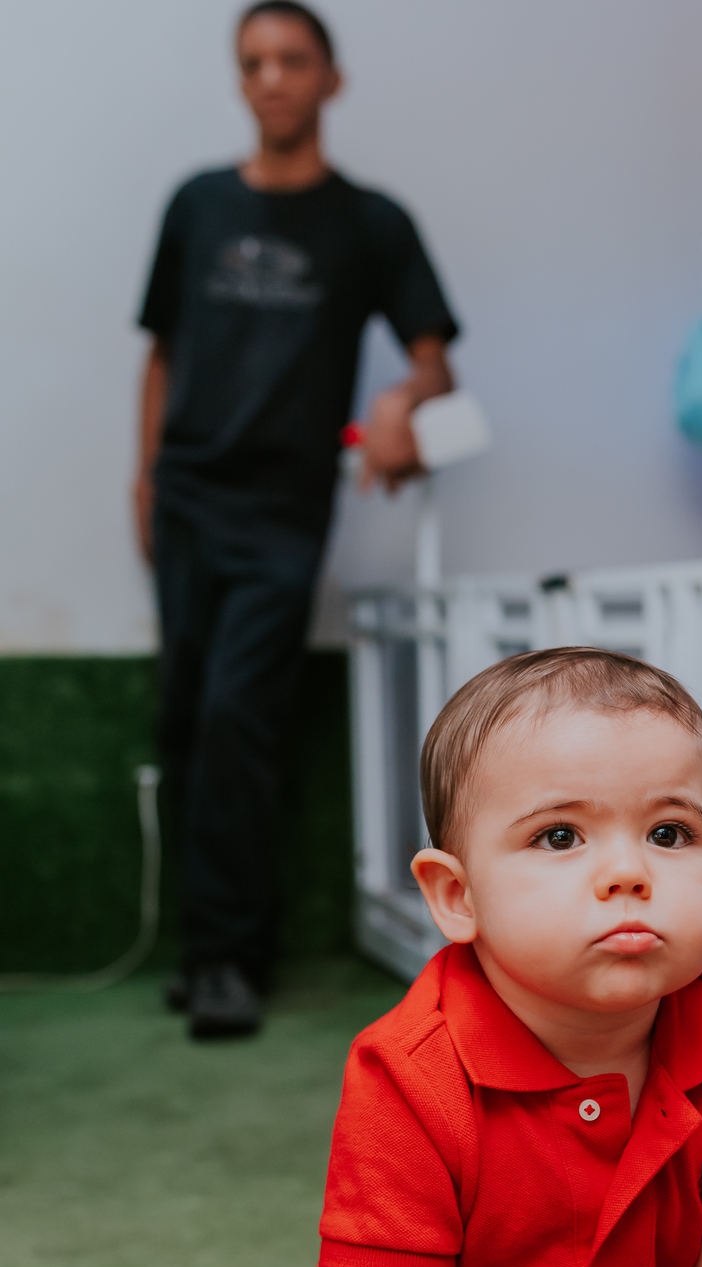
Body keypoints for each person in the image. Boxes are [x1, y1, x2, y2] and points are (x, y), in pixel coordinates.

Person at [319, 648, 702, 1267]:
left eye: (670, 834)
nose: (628, 874)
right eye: (559, 836)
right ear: (457, 895)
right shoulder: (409, 1076)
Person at [135, 1, 458, 1038]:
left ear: (330, 78)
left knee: (241, 716)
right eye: (253, 63)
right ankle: (209, 945)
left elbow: (430, 356)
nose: (271, 77)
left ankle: (230, 955)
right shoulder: (196, 205)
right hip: (185, 495)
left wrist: (404, 407)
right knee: (187, 714)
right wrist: (144, 480)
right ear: (241, 82)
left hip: (283, 510)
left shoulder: (371, 223)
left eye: (291, 60)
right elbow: (163, 353)